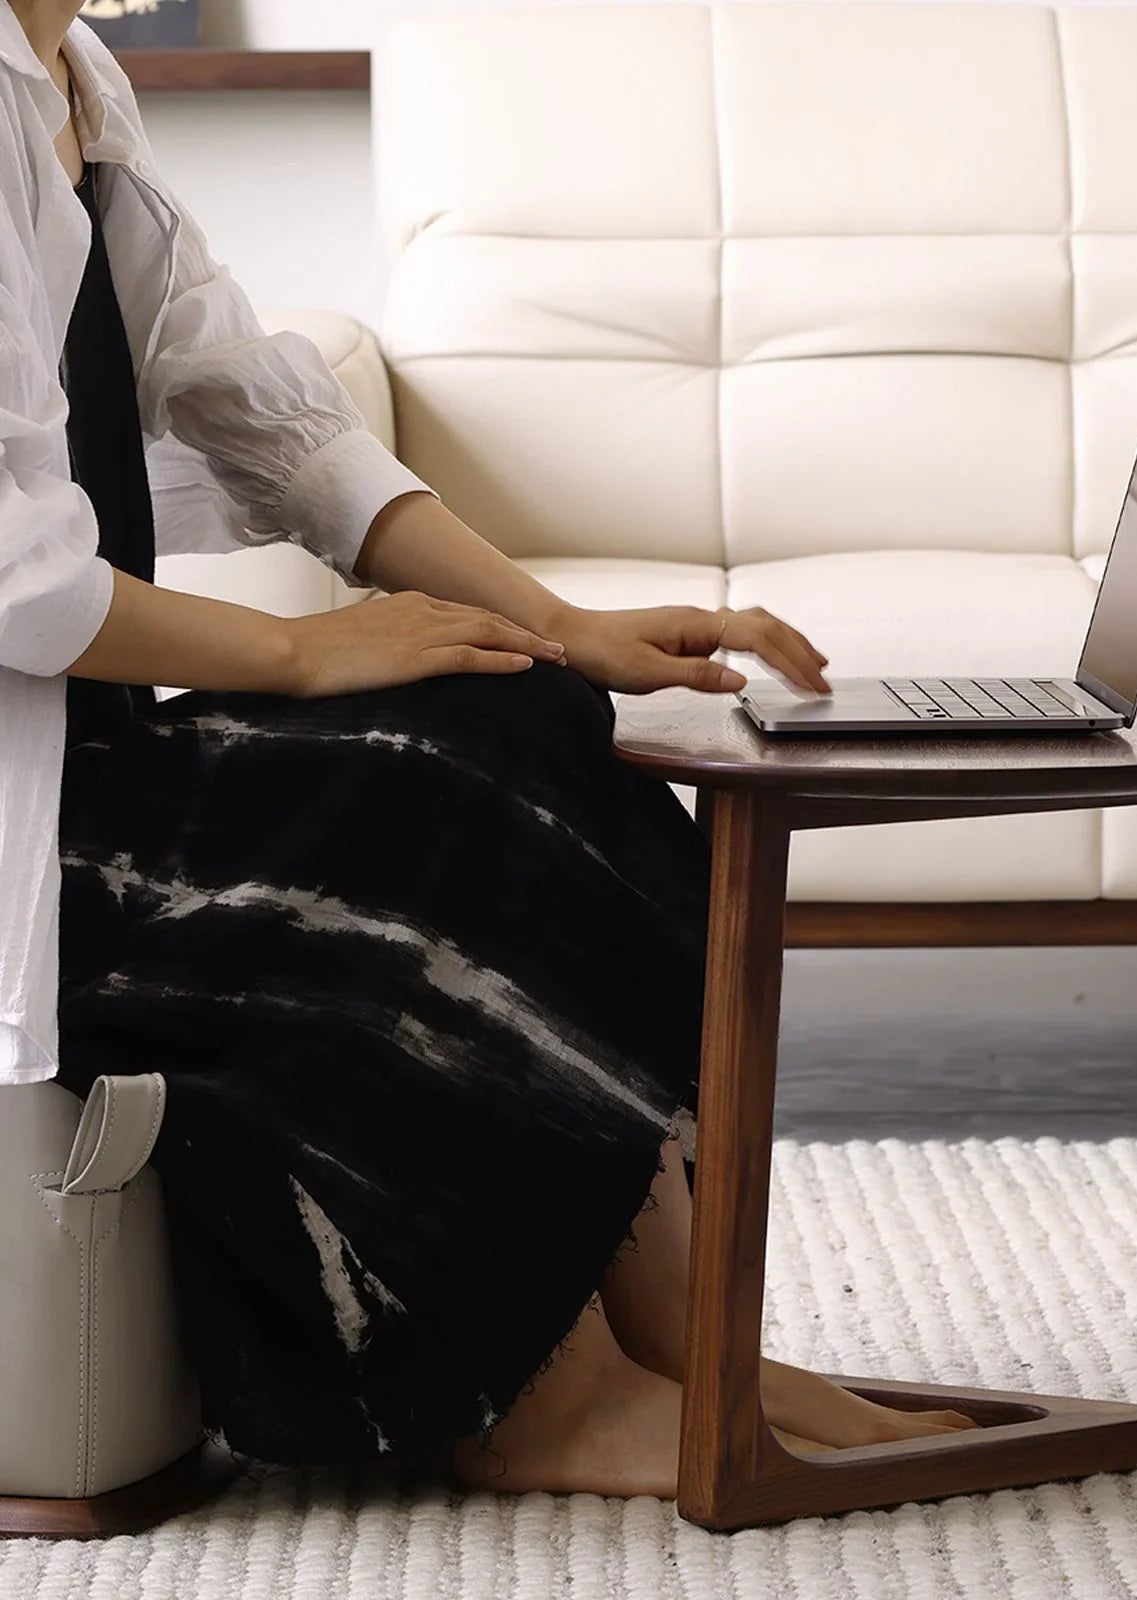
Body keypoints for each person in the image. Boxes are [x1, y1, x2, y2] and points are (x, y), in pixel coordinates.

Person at [0, 1, 977, 1498]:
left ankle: (685, 1341)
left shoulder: (74, 81)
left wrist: (558, 627)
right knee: (419, 794)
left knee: (524, 703)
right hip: (35, 840)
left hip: (93, 768)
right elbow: (17, 576)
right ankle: (538, 1396)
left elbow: (269, 415)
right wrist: (307, 649)